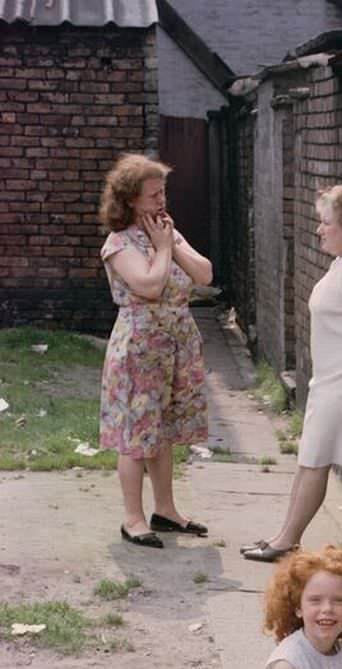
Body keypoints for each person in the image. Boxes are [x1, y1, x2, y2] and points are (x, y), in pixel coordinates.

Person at [242, 185, 342, 562]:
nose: (319, 229)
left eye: (326, 222)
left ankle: (285, 542)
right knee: (309, 457)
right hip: (333, 378)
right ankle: (284, 536)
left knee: (315, 459)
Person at [98, 153, 212, 548]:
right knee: (136, 432)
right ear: (130, 200)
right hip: (140, 349)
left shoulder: (166, 231)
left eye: (163, 192)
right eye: (152, 196)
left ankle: (165, 509)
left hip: (175, 343)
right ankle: (133, 517)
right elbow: (148, 285)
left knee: (161, 429)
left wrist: (170, 243)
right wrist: (163, 249)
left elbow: (204, 273)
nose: (161, 201)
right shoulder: (119, 243)